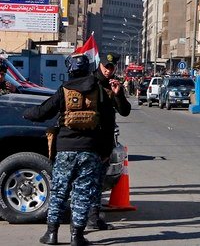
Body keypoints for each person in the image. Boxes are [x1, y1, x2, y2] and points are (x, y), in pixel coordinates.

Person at [23, 52, 117, 246]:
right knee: (82, 194)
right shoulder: (98, 90)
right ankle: (77, 236)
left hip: (65, 149)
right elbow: (108, 123)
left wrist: (26, 113)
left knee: (59, 191)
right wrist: (106, 151)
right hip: (90, 150)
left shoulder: (64, 90)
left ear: (70, 69)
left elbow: (42, 112)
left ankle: (51, 234)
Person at [87, 52, 131, 231]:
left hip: (105, 142)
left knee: (97, 183)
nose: (108, 70)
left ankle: (93, 218)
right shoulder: (89, 82)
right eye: (106, 66)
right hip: (89, 141)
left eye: (111, 68)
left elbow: (125, 111)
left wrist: (118, 94)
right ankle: (88, 219)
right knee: (89, 182)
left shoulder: (113, 85)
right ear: (99, 65)